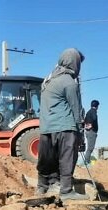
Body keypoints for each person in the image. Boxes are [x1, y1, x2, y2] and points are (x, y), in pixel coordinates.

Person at [37, 48, 88, 200]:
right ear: (75, 63)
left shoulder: (48, 80)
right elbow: (76, 108)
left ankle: (43, 186)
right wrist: (80, 133)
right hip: (65, 127)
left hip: (46, 127)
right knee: (67, 158)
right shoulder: (69, 82)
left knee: (47, 158)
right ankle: (66, 191)